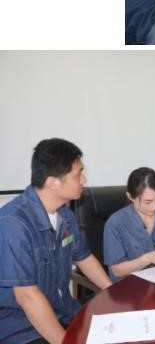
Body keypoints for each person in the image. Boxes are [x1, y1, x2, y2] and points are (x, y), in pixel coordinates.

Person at [0, 138, 112, 344]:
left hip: (62, 312)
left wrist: (113, 292)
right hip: (22, 328)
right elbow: (28, 297)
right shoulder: (12, 225)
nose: (84, 179)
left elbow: (84, 258)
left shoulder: (65, 215)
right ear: (53, 182)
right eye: (78, 174)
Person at [104, 167, 155, 282]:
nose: (154, 207)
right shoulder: (115, 223)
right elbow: (117, 271)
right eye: (148, 202)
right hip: (131, 285)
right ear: (130, 196)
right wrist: (147, 259)